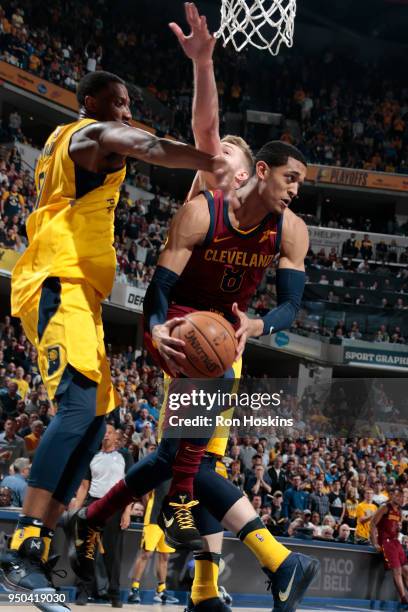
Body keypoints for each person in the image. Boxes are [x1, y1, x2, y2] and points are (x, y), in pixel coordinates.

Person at [66, 7, 318, 612]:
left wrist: (257, 324)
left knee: (186, 463)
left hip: (225, 338)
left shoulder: (283, 223)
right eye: (223, 152)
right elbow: (208, 128)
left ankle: (162, 561)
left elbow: (289, 304)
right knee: (190, 464)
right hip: (186, 330)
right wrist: (204, 63)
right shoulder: (209, 191)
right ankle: (276, 560)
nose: (225, 154)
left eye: (236, 152)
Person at [0, 68, 232, 604]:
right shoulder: (85, 135)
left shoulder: (92, 156)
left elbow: (138, 141)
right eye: (118, 101)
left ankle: (38, 549)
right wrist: (208, 158)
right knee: (78, 408)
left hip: (82, 294)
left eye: (129, 102)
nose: (126, 111)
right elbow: (142, 143)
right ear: (90, 102)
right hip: (58, 282)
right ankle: (21, 545)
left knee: (98, 416)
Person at [72, 423, 133, 607]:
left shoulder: (125, 456)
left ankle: (114, 594)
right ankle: (83, 592)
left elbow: (130, 486)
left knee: (113, 554)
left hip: (115, 505)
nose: (106, 435)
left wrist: (127, 511)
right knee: (86, 550)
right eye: (103, 432)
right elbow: (84, 486)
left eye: (109, 432)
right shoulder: (92, 456)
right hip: (93, 503)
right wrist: (76, 509)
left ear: (116, 437)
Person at [127, 480, 179, 605]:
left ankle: (161, 591)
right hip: (153, 517)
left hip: (169, 521)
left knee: (165, 556)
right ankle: (134, 589)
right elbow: (145, 492)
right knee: (146, 554)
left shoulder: (180, 476)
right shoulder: (161, 471)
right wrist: (149, 508)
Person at [371, 487, 408, 606]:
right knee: (397, 571)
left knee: (406, 570)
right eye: (397, 496)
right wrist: (375, 542)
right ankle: (403, 598)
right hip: (385, 542)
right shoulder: (385, 507)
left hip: (395, 541)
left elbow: (396, 526)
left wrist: (398, 533)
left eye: (401, 497)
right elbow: (372, 523)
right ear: (392, 496)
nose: (400, 498)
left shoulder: (400, 511)